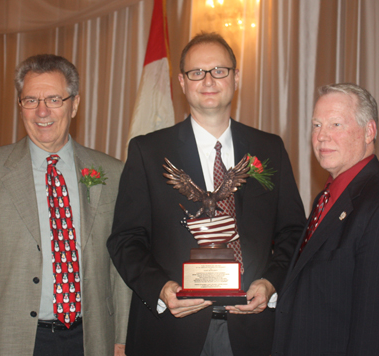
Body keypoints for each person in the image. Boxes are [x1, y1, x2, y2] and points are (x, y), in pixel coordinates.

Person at [107, 32, 306, 356]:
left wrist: (271, 282)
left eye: (219, 70)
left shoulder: (269, 149)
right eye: (197, 72)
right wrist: (162, 288)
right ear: (182, 82)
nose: (208, 80)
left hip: (252, 330)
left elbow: (293, 231)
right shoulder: (149, 151)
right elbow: (126, 239)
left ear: (236, 77)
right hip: (172, 330)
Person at [0, 54, 131, 356]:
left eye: (54, 99)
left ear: (74, 104)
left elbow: (119, 266)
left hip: (90, 339)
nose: (42, 111)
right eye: (30, 100)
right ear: (20, 106)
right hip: (5, 337)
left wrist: (122, 337)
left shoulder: (112, 172)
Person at [272, 83, 379, 356]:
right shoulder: (326, 199)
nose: (321, 137)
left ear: (369, 131)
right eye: (316, 125)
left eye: (336, 125)